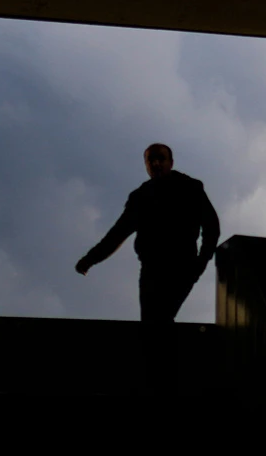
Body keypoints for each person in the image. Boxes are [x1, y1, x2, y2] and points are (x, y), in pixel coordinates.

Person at [75, 143, 220, 384]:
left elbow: (212, 228)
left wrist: (199, 263)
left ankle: (165, 379)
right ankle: (161, 379)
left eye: (160, 159)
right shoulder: (141, 196)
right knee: (154, 324)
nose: (155, 164)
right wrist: (90, 259)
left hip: (181, 266)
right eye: (150, 160)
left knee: (158, 321)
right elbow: (118, 234)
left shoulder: (191, 188)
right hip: (152, 269)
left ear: (170, 162)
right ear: (146, 165)